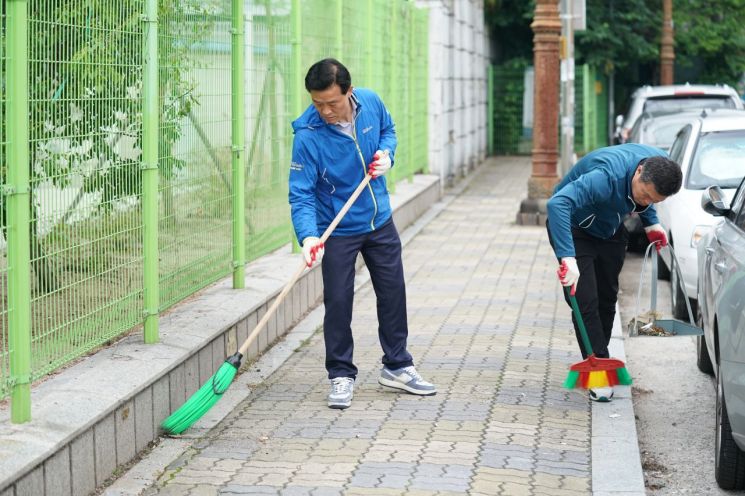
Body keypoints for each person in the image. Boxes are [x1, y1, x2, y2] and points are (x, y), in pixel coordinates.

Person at [288, 58, 436, 409]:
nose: (325, 111)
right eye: (317, 103)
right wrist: (309, 236)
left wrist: (387, 155)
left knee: (392, 292)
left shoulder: (370, 102)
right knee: (338, 301)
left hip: (378, 220)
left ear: (349, 93)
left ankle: (397, 366)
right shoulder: (308, 136)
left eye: (332, 103)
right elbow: (301, 192)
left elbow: (389, 130)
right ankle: (340, 374)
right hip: (336, 228)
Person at [546, 143, 682, 402]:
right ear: (639, 171)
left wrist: (651, 221)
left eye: (654, 201)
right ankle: (598, 371)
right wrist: (568, 257)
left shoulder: (661, 164)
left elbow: (646, 200)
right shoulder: (605, 177)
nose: (646, 202)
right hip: (573, 227)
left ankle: (600, 357)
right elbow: (557, 204)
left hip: (609, 229)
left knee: (607, 297)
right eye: (645, 196)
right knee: (585, 300)